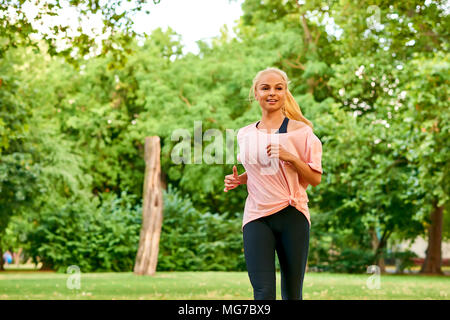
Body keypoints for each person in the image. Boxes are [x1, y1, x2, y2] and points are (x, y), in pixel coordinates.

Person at [223, 67, 323, 300]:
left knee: (291, 294)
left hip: (293, 215)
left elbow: (315, 179)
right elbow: (260, 169)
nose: (272, 93)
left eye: (279, 88)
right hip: (257, 217)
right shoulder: (245, 134)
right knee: (263, 292)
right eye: (265, 88)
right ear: (255, 93)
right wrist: (240, 179)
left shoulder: (301, 132)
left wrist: (291, 157)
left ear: (285, 93)